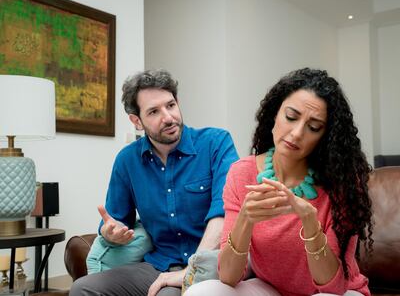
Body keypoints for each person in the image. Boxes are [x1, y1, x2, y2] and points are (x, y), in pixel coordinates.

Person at [185, 68, 373, 296]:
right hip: (272, 289)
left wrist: (310, 223)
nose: (296, 134)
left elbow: (331, 287)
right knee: (204, 291)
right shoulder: (241, 173)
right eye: (291, 117)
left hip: (337, 293)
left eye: (313, 127)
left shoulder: (342, 182)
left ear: (325, 137)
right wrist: (245, 218)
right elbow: (229, 277)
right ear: (275, 113)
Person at [70, 69, 239, 296]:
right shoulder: (127, 160)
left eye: (170, 105)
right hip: (160, 265)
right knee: (84, 288)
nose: (168, 117)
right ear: (136, 121)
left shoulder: (216, 143)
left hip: (212, 263)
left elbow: (226, 212)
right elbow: (117, 219)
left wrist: (192, 269)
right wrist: (111, 233)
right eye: (154, 112)